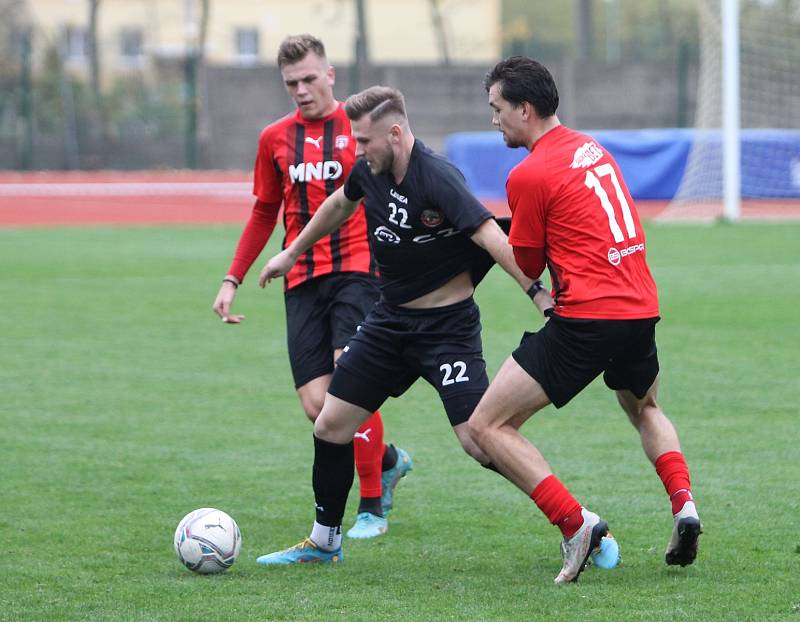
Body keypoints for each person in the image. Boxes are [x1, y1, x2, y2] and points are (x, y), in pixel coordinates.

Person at [254, 85, 554, 565]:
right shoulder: (369, 171)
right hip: (388, 323)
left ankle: (575, 522)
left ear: (395, 133)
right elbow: (337, 205)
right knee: (330, 424)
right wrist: (292, 252)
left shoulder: (438, 177)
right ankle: (325, 540)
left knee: (479, 440)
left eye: (365, 140)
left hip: (447, 331)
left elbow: (491, 235)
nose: (357, 150)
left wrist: (537, 293)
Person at [468, 56, 702, 585]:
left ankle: (575, 523)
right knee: (645, 407)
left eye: (498, 109)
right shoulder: (591, 147)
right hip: (640, 306)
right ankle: (684, 505)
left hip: (589, 318)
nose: (494, 120)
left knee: (486, 426)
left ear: (524, 109)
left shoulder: (528, 173)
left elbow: (527, 265)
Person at [211, 34, 412, 540]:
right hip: (300, 279)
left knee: (350, 381)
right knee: (316, 404)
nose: (301, 90)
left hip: (360, 270)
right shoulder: (274, 138)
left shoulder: (361, 126)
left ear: (330, 74)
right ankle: (386, 460)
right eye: (290, 83)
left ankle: (370, 506)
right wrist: (232, 278)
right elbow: (263, 210)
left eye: (307, 79)